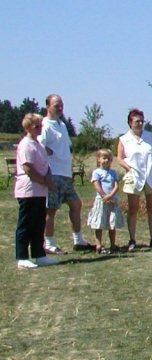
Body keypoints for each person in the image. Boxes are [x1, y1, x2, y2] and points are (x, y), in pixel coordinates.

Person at [39, 94, 87, 253]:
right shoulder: (45, 125)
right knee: (51, 209)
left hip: (65, 174)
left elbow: (66, 148)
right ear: (48, 106)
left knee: (76, 204)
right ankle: (49, 243)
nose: (60, 108)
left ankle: (78, 240)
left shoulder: (62, 124)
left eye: (61, 105)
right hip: (53, 174)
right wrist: (49, 152)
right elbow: (38, 146)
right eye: (56, 105)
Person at [13, 113, 59, 269]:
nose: (40, 128)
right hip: (28, 190)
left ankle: (39, 254)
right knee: (26, 224)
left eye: (41, 125)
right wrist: (46, 182)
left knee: (39, 223)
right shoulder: (25, 144)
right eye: (36, 126)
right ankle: (22, 257)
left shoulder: (38, 144)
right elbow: (28, 169)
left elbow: (45, 166)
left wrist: (48, 180)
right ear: (28, 127)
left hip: (40, 191)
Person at [116, 109, 152, 251]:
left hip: (150, 176)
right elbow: (119, 157)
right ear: (130, 122)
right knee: (133, 209)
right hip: (133, 176)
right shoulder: (124, 139)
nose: (140, 123)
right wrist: (128, 168)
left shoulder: (150, 136)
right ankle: (132, 239)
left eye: (142, 121)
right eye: (137, 121)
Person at [86, 149, 125, 253]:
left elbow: (116, 185)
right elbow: (96, 185)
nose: (106, 160)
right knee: (99, 222)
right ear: (99, 159)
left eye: (108, 158)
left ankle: (113, 244)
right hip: (101, 200)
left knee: (112, 223)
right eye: (104, 158)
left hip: (112, 200)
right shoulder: (97, 172)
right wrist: (104, 196)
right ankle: (98, 244)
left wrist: (111, 195)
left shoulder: (113, 173)